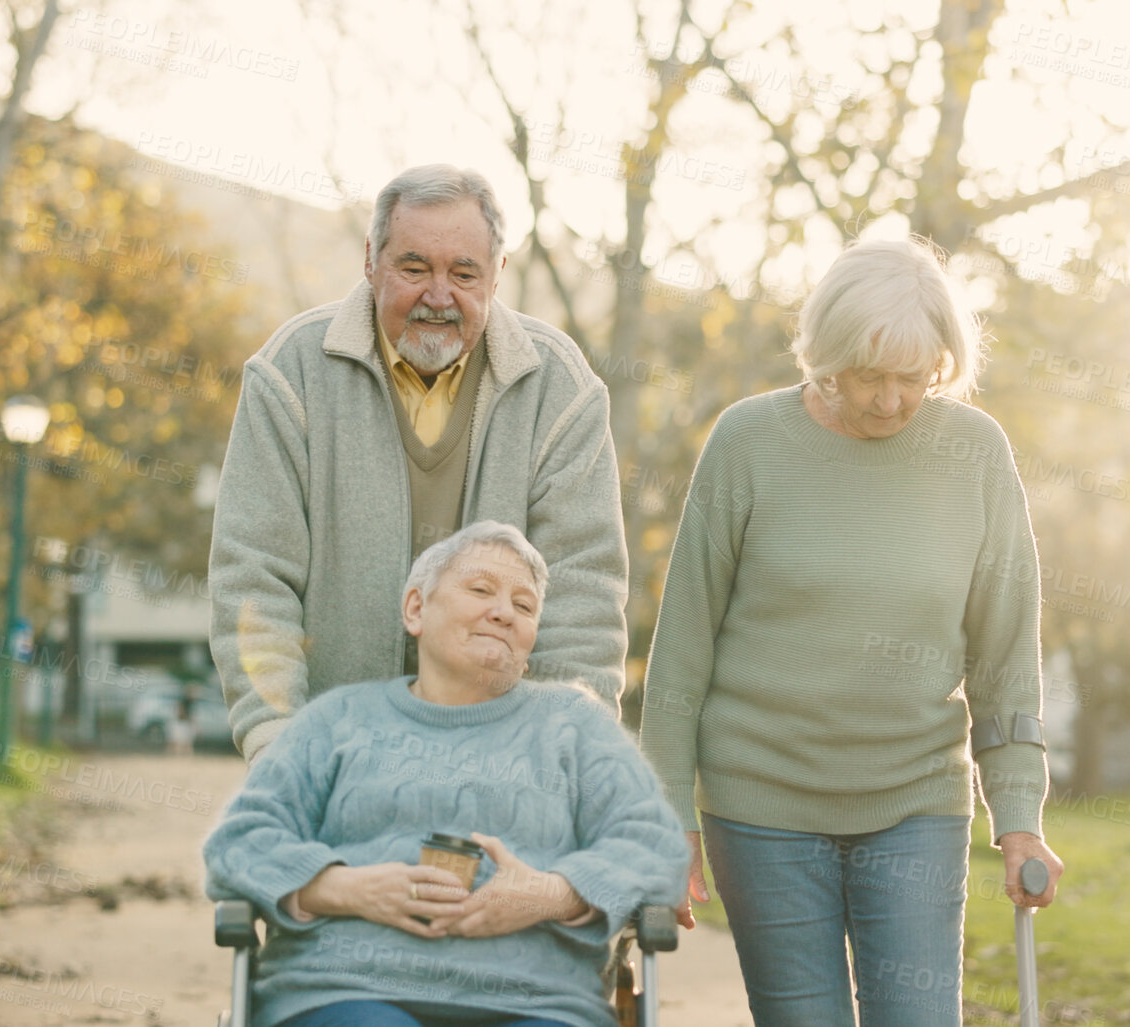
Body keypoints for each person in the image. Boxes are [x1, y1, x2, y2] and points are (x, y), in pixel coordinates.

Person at [638, 238, 1066, 1027]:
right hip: (760, 800)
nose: (889, 400)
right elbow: (683, 648)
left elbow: (1004, 658)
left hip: (914, 797)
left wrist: (1018, 814)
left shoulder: (973, 454)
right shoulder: (748, 443)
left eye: (914, 376)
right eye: (867, 375)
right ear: (825, 354)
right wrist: (667, 814)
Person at [209, 164, 628, 764]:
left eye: (464, 274)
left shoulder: (562, 390)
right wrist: (281, 747)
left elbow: (582, 594)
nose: (438, 296)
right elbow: (253, 582)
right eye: (413, 268)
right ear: (371, 262)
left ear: (497, 275)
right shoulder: (290, 374)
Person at [202, 521, 687, 1027]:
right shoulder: (337, 720)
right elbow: (237, 843)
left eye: (524, 607)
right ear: (416, 609)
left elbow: (656, 847)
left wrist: (550, 895)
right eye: (481, 590)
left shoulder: (575, 726)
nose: (503, 612)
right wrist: (345, 888)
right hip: (347, 989)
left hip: (536, 1001)